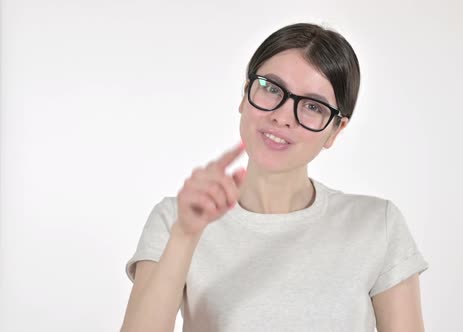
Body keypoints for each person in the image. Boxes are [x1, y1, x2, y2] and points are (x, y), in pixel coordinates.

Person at [121, 23, 428, 332]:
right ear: (245, 95)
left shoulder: (377, 225)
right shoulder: (175, 219)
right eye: (271, 88)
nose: (282, 117)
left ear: (336, 130)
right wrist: (185, 236)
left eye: (312, 106)